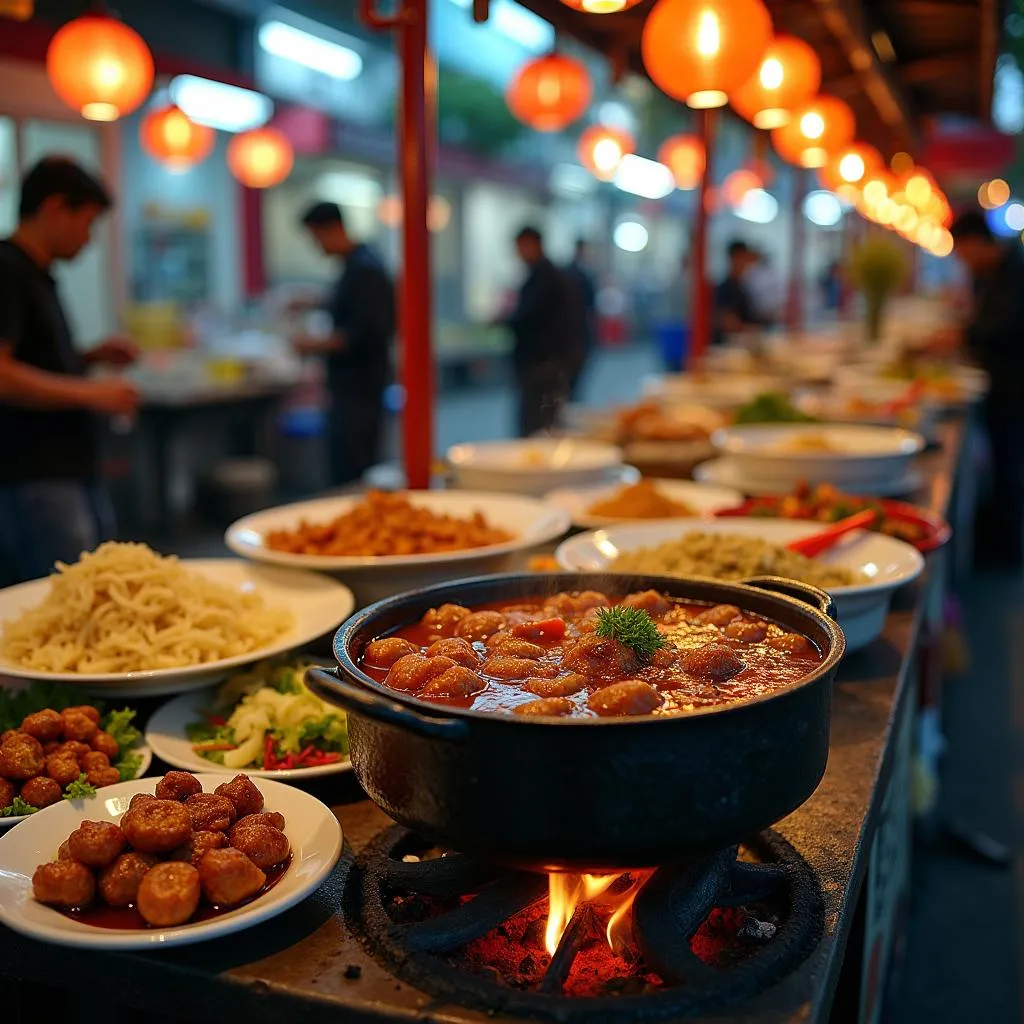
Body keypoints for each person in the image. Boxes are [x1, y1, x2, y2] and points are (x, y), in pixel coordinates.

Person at [0, 156, 139, 586]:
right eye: (88, 222)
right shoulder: (6, 267)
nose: (89, 238)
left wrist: (89, 357)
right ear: (57, 208)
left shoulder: (37, 274)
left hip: (67, 467)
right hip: (35, 473)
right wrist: (92, 394)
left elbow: (32, 360)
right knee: (68, 597)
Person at [935, 210, 1024, 567]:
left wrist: (963, 335)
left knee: (1011, 462)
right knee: (1005, 461)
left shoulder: (1015, 270)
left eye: (962, 250)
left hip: (1015, 385)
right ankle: (1000, 538)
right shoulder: (996, 271)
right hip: (1002, 381)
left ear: (975, 242)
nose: (962, 259)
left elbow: (1008, 325)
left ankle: (1007, 550)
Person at [294, 202, 396, 486]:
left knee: (354, 468)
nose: (316, 247)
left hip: (360, 389)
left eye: (316, 238)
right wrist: (314, 301)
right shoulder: (355, 266)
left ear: (333, 229)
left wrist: (314, 345)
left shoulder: (365, 269)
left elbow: (368, 330)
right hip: (351, 388)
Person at [499, 226, 577, 437]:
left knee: (537, 428)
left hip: (542, 363)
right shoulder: (548, 275)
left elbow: (528, 316)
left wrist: (503, 320)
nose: (519, 253)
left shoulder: (544, 277)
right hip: (548, 362)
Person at [562, 238, 597, 400]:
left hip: (572, 335)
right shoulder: (580, 274)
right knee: (572, 384)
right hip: (577, 334)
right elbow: (591, 304)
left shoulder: (567, 271)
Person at [713, 239, 767, 345]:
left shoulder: (742, 284)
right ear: (734, 258)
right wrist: (748, 329)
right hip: (731, 345)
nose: (746, 262)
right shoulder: (726, 288)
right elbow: (726, 320)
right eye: (743, 257)